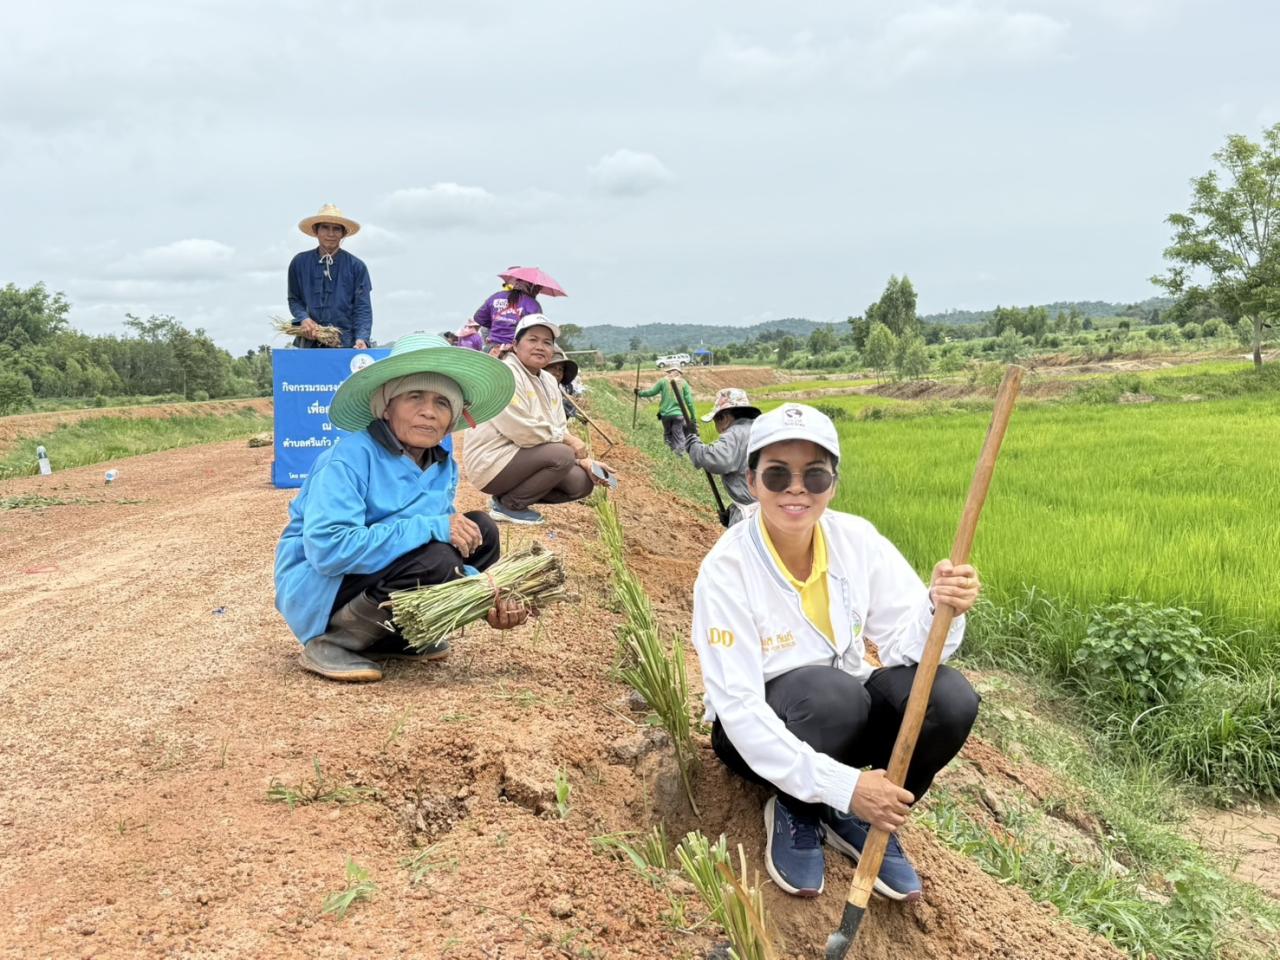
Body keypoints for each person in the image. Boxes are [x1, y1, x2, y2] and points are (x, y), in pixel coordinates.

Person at [690, 403, 982, 901]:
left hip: (844, 712)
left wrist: (940, 609)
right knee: (832, 695)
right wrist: (843, 784)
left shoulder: (856, 540)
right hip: (756, 733)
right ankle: (797, 806)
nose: (796, 489)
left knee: (949, 698)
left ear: (834, 483)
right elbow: (738, 709)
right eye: (777, 475)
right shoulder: (727, 570)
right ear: (752, 480)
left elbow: (906, 647)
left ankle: (867, 816)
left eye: (815, 475)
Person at [274, 333, 526, 683]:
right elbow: (329, 551)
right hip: (323, 589)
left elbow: (439, 541)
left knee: (482, 532)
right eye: (414, 397)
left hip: (381, 572)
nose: (428, 411)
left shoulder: (440, 463)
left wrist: (487, 596)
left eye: (442, 402)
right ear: (386, 406)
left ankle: (397, 636)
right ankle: (333, 641)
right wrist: (432, 528)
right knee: (438, 559)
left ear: (453, 417)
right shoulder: (348, 460)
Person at [463, 315, 613, 525]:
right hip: (492, 462)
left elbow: (558, 427)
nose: (540, 347)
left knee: (581, 483)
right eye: (532, 340)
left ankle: (505, 498)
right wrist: (569, 443)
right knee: (561, 454)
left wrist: (585, 462)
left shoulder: (549, 381)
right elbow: (523, 432)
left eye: (547, 342)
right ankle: (511, 506)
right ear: (515, 345)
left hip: (523, 459)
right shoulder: (505, 375)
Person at [287, 204, 373, 349]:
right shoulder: (299, 263)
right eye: (325, 227)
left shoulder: (356, 266)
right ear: (316, 230)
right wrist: (304, 319)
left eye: (336, 229)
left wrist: (362, 338)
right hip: (310, 342)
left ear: (343, 233)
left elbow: (362, 308)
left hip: (345, 343)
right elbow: (294, 300)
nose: (331, 234)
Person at [682, 388, 762, 526]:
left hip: (753, 516)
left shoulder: (735, 434)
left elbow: (713, 459)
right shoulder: (760, 429)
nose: (717, 428)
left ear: (724, 417)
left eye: (715, 421)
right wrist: (732, 512)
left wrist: (692, 439)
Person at [471, 278, 543, 356]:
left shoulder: (496, 296)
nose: (537, 292)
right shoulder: (533, 304)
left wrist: (497, 324)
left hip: (491, 348)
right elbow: (538, 331)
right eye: (537, 288)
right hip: (515, 351)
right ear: (531, 287)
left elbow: (479, 317)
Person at [636, 367, 696, 455]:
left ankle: (669, 454)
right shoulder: (683, 383)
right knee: (678, 435)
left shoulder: (662, 381)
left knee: (668, 434)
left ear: (669, 372)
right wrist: (693, 417)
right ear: (679, 373)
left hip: (665, 414)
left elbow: (652, 392)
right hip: (678, 415)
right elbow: (689, 401)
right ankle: (679, 455)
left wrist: (639, 393)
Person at [544, 345, 581, 422]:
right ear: (543, 369)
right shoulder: (535, 391)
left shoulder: (557, 394)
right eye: (553, 367)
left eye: (560, 369)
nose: (557, 373)